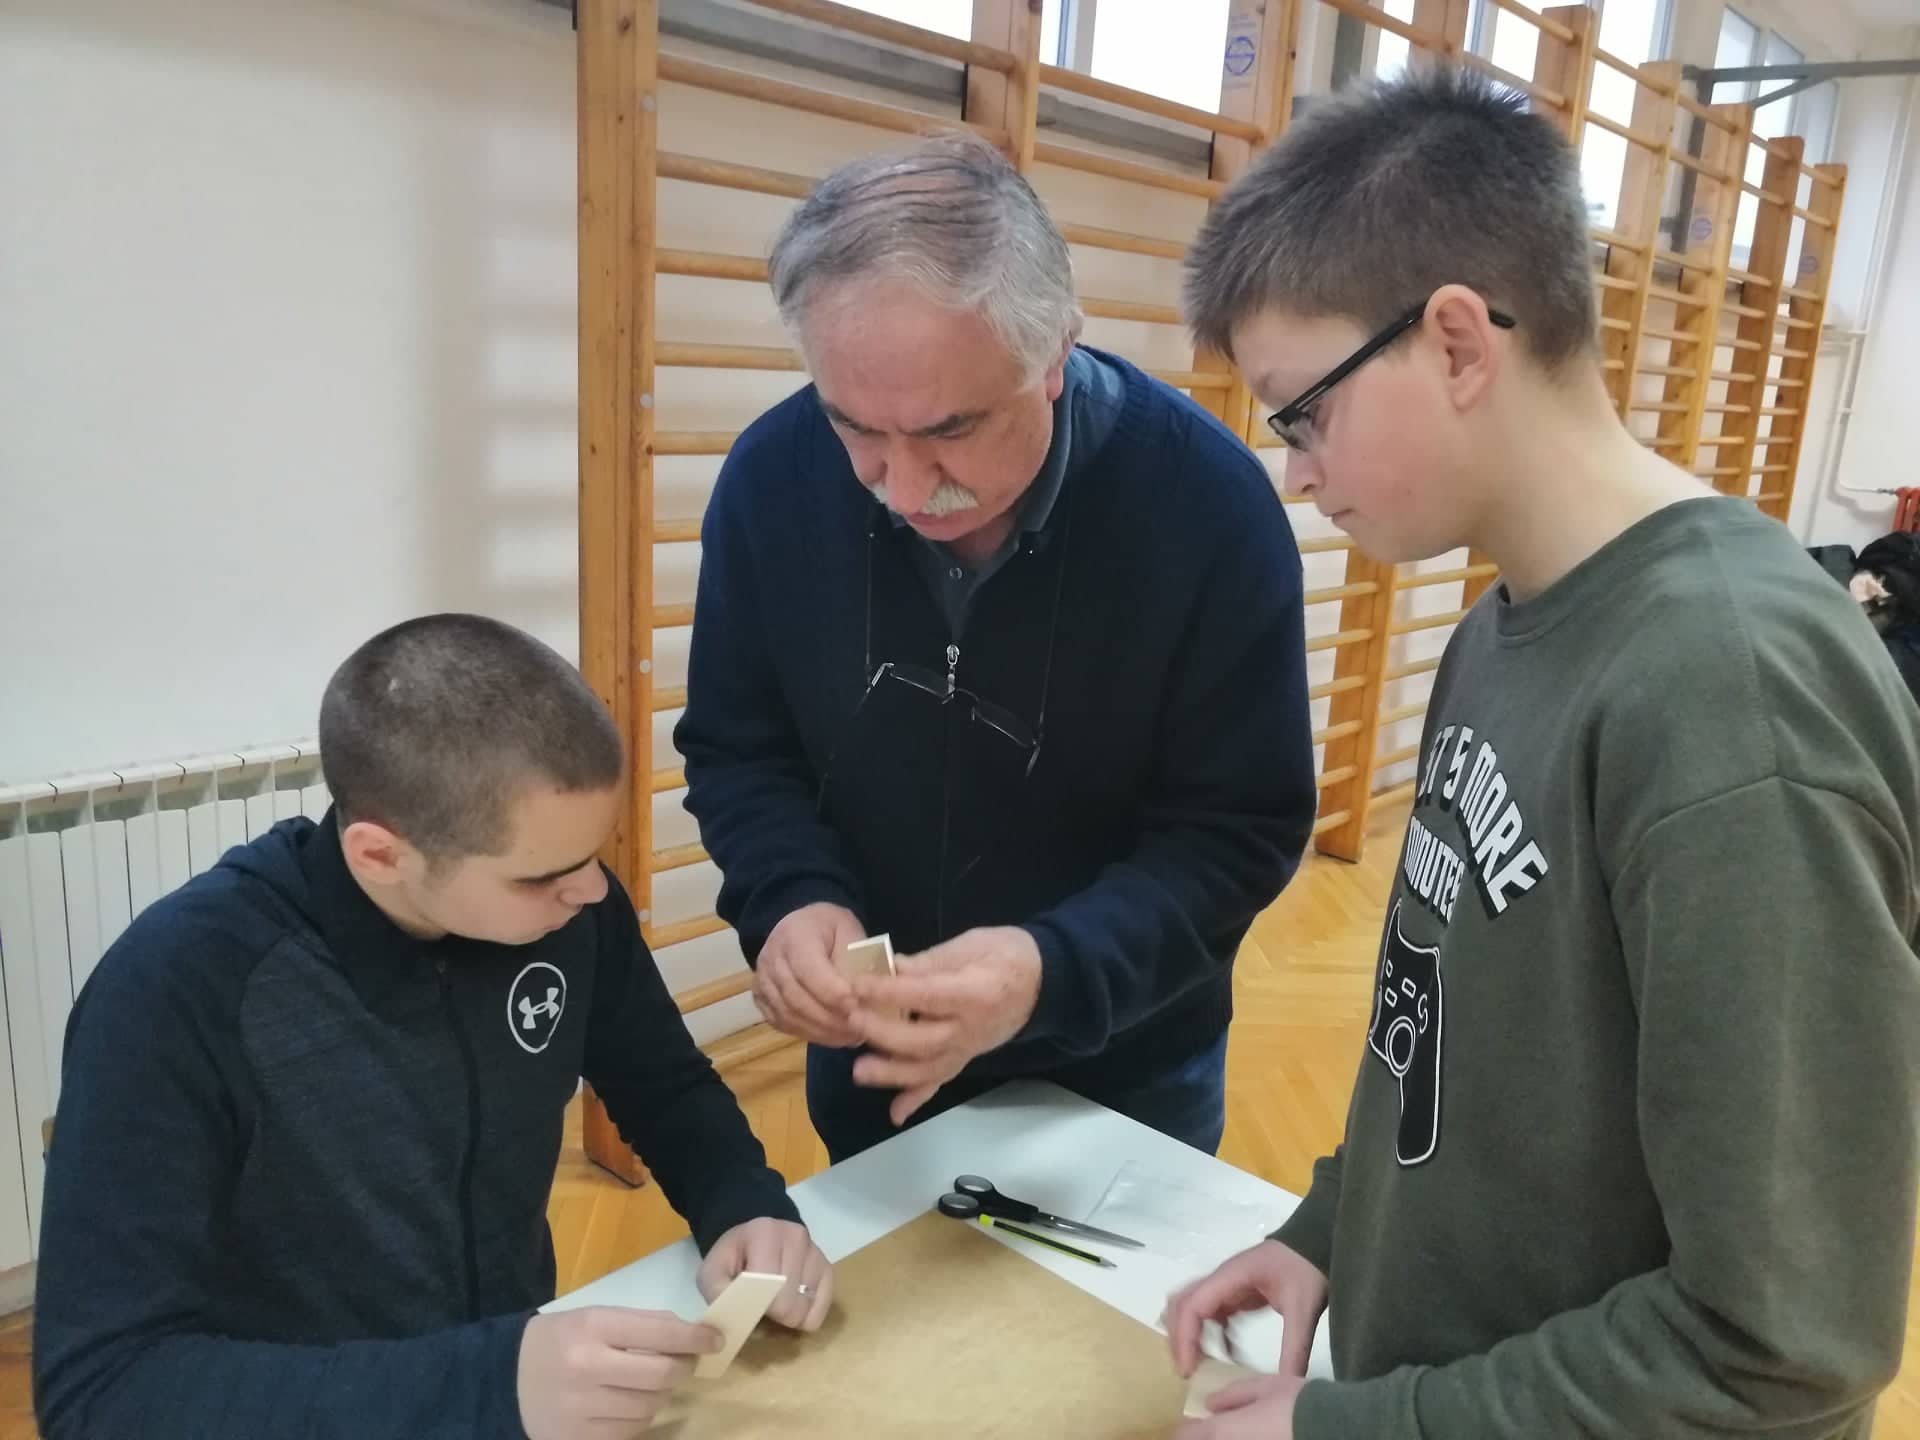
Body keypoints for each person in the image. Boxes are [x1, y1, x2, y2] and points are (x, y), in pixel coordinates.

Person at [1160, 64, 1920, 1440]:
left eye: (1303, 412)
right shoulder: (1500, 626)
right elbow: (1451, 1032)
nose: (1297, 472)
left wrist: (1350, 1431)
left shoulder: (1732, 697)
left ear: (1458, 343)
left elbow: (1783, 1347)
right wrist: (1331, 1228)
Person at [673, 132, 1317, 1164]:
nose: (901, 488)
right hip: (876, 1058)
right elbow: (739, 749)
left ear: (1056, 353)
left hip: (1128, 1064)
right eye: (854, 428)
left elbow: (1237, 829)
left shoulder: (1208, 508)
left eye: (950, 431)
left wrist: (1048, 971)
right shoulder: (770, 480)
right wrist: (791, 896)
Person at [33, 615, 834, 1440]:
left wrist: (743, 1203)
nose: (593, 892)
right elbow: (103, 1391)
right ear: (380, 856)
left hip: (511, 1394)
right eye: (542, 877)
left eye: (595, 854)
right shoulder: (177, 986)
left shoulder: (570, 911)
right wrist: (487, 1386)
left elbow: (664, 1087)